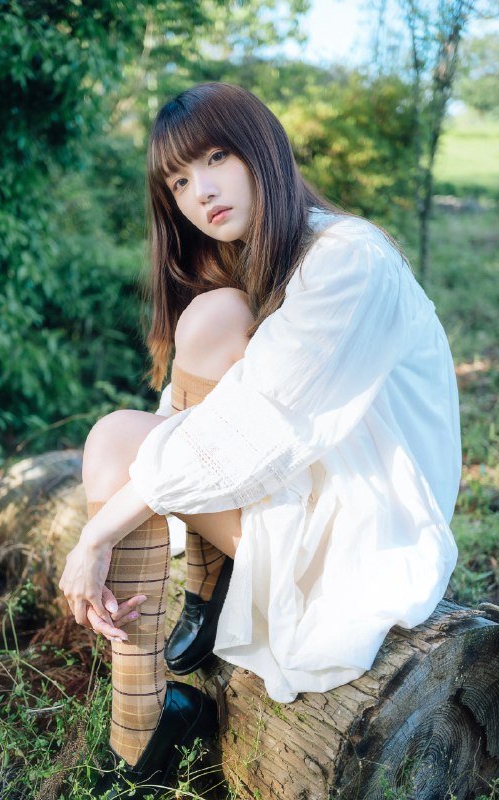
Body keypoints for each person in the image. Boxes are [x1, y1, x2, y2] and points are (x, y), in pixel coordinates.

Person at [59, 82, 461, 798]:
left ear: (262, 150)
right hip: (301, 496)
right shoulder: (253, 267)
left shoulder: (348, 257)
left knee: (130, 437)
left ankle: (156, 706)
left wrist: (98, 535)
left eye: (217, 157)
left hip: (364, 529)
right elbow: (195, 421)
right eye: (179, 182)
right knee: (141, 409)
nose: (201, 191)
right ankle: (143, 711)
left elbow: (254, 430)